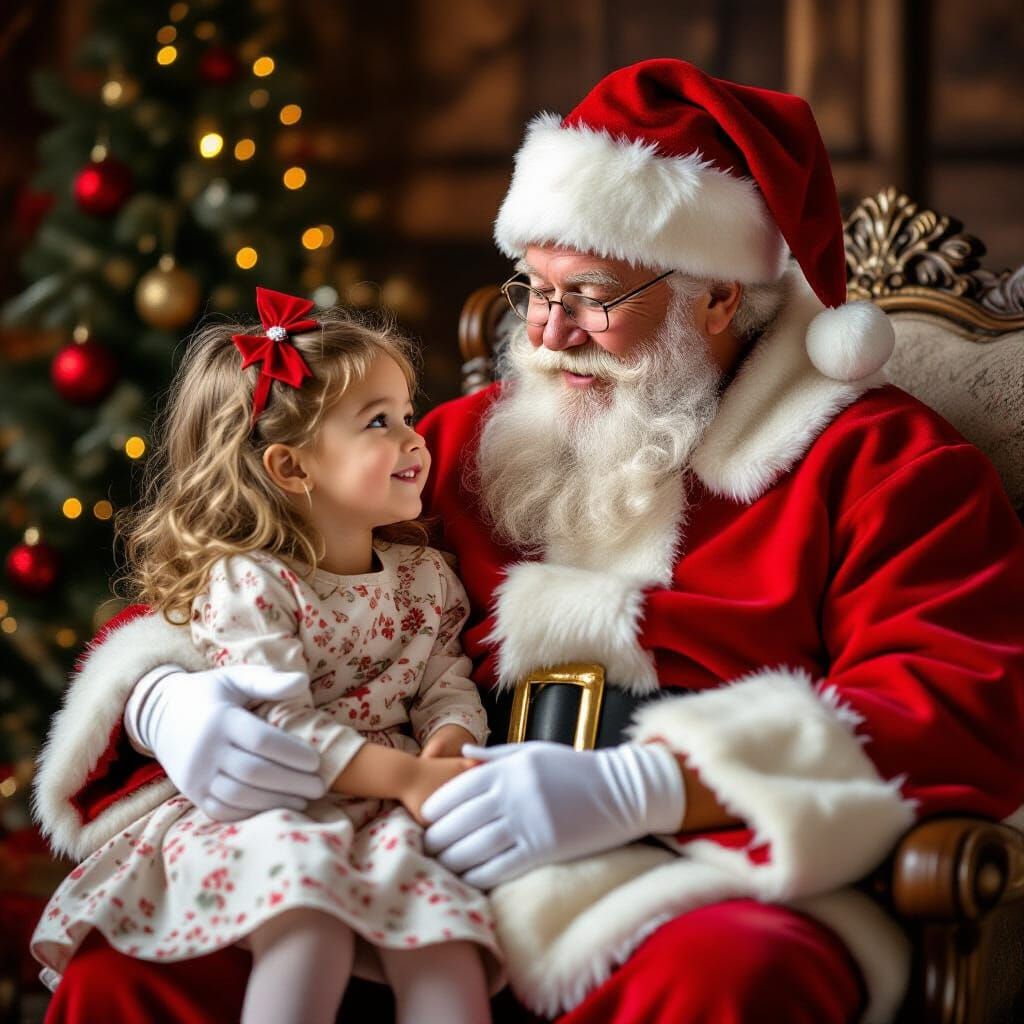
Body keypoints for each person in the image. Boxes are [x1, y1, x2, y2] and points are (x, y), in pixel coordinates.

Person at [32, 60, 1024, 1024]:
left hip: (698, 869)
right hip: (410, 857)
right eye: (532, 290)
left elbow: (952, 699)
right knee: (139, 976)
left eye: (589, 296)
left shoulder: (883, 466)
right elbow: (235, 565)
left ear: (719, 294)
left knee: (732, 980)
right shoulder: (462, 450)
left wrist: (643, 786)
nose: (547, 335)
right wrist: (168, 697)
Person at [30, 289, 505, 1024]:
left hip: (395, 808)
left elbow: (447, 678)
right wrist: (409, 774)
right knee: (307, 926)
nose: (415, 440)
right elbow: (278, 725)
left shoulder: (427, 577)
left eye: (408, 415)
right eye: (379, 422)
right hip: (280, 805)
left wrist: (449, 743)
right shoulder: (251, 584)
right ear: (291, 468)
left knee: (444, 940)